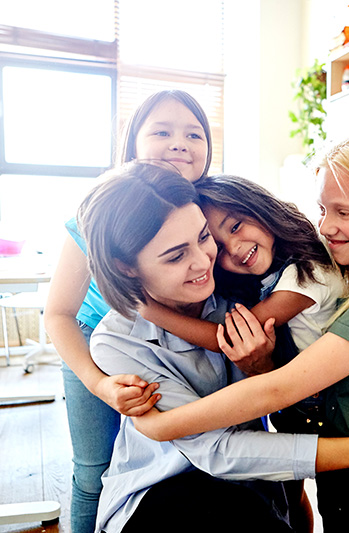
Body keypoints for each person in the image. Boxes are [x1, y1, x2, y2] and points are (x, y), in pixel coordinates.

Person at [129, 128, 349, 532]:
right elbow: (314, 409)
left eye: (343, 212)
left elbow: (278, 390)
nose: (326, 227)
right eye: (322, 210)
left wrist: (163, 424)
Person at [43, 89, 213, 533]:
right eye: (162, 132)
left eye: (194, 134)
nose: (180, 144)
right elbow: (58, 313)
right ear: (132, 143)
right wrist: (98, 383)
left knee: (197, 458)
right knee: (94, 470)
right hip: (97, 351)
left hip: (181, 344)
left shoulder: (215, 207)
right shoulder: (99, 212)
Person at [136, 173, 345, 531]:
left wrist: (152, 311)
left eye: (235, 227)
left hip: (325, 403)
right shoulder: (275, 272)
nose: (233, 249)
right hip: (296, 398)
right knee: (293, 489)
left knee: (331, 493)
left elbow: (227, 338)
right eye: (217, 244)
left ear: (262, 209)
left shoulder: (309, 274)